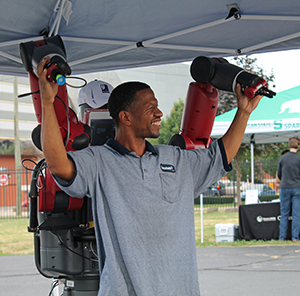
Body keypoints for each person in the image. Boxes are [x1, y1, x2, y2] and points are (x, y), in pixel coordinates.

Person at [37, 56, 263, 296]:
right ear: (126, 118)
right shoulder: (99, 161)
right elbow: (59, 165)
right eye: (150, 108)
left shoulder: (175, 159)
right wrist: (48, 102)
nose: (160, 113)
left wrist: (244, 112)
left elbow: (220, 156)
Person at [277, 137, 300, 242]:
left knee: (284, 213)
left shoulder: (283, 158)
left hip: (285, 187)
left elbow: (279, 174)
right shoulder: (299, 158)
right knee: (296, 214)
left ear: (289, 145)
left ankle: (282, 237)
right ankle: (295, 237)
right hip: (297, 188)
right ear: (298, 145)